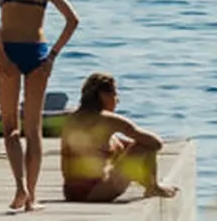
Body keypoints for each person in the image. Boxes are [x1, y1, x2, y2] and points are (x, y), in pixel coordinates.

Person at [0, 0, 77, 213]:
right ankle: (33, 197)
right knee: (34, 129)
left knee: (10, 126)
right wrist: (52, 56)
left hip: (10, 50)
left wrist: (0, 53)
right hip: (38, 53)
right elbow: (73, 20)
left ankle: (20, 188)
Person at [57, 75, 162, 206]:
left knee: (126, 148)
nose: (117, 100)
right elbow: (156, 143)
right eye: (115, 94)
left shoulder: (71, 118)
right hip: (96, 191)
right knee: (145, 146)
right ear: (103, 95)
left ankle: (150, 185)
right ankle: (154, 187)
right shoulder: (108, 120)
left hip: (70, 192)